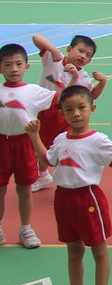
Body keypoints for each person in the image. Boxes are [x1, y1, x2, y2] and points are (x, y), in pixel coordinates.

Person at [24, 87, 112, 285]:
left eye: (81, 108)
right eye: (69, 109)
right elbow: (47, 160)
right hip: (63, 198)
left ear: (92, 109)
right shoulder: (61, 139)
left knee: (99, 249)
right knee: (73, 250)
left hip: (88, 197)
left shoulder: (98, 140)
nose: (76, 113)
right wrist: (34, 136)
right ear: (62, 113)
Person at [0, 43, 60, 248]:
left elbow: (61, 99)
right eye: (8, 64)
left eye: (18, 64)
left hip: (24, 143)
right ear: (0, 67)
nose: (13, 69)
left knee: (24, 189)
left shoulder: (34, 91)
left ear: (27, 66)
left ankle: (26, 229)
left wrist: (74, 78)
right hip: (1, 144)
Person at [30, 31, 104, 190]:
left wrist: (102, 82)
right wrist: (54, 51)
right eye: (80, 51)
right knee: (43, 146)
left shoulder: (84, 77)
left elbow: (92, 95)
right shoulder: (53, 60)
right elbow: (36, 37)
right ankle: (43, 175)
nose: (83, 56)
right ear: (69, 49)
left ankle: (69, 177)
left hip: (66, 115)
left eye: (88, 55)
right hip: (45, 111)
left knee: (67, 145)